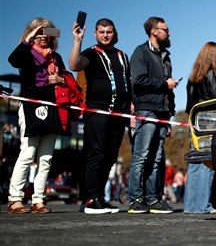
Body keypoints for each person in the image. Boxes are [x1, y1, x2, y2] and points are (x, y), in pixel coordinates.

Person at [69, 18, 131, 214]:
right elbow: (74, 64)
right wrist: (77, 40)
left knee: (110, 156)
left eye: (109, 32)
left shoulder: (122, 55)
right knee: (96, 153)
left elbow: (126, 82)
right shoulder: (91, 53)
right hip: (98, 112)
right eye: (101, 32)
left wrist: (131, 104)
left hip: (119, 114)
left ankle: (100, 197)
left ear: (115, 33)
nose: (105, 35)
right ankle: (90, 198)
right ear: (95, 34)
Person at [7, 18, 67, 214]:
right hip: (30, 105)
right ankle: (15, 199)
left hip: (51, 106)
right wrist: (27, 39)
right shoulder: (26, 53)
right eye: (39, 32)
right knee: (28, 152)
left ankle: (38, 200)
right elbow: (12, 60)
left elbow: (66, 79)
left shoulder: (55, 57)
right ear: (31, 33)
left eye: (47, 31)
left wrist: (60, 79)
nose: (43, 36)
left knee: (46, 156)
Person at [128, 16, 179, 214]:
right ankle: (135, 199)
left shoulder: (165, 55)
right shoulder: (141, 52)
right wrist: (164, 84)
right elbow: (138, 81)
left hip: (162, 111)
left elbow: (168, 89)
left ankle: (152, 199)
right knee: (141, 156)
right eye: (166, 29)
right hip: (147, 109)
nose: (169, 32)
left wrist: (170, 115)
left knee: (157, 158)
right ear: (154, 31)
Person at [184, 42, 216, 213]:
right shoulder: (211, 74)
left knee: (195, 164)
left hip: (194, 121)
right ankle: (202, 205)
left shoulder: (193, 76)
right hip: (209, 122)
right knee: (206, 164)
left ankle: (191, 206)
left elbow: (189, 105)